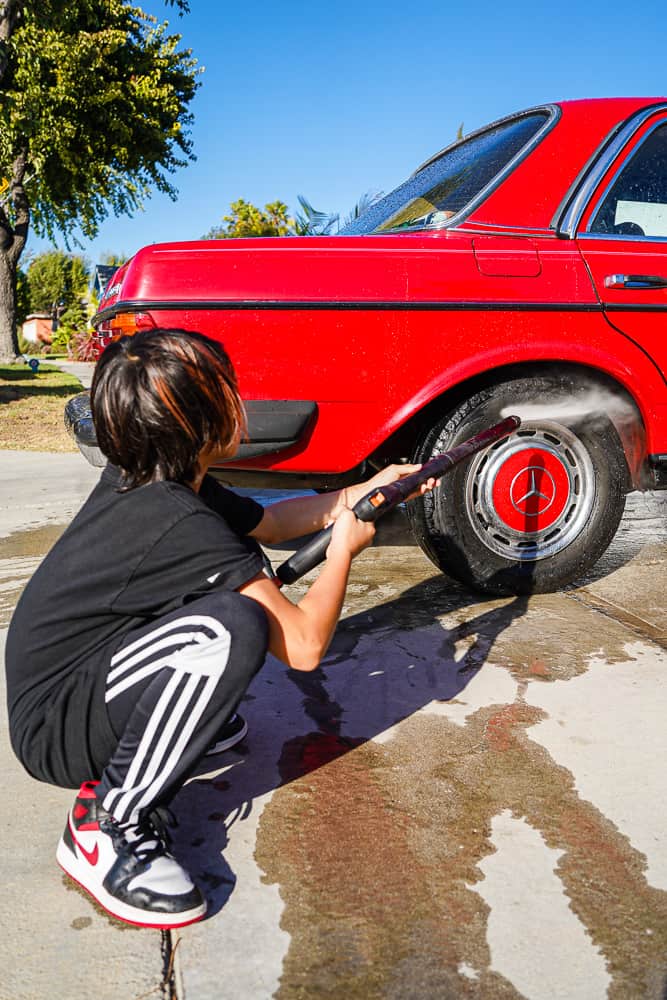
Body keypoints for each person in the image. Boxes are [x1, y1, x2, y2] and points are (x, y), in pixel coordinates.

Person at [5, 328, 434, 929]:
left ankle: (180, 721)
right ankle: (106, 824)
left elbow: (274, 522)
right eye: (225, 388)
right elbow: (305, 647)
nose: (239, 396)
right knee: (228, 628)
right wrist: (343, 550)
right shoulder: (176, 516)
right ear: (196, 421)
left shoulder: (167, 480)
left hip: (80, 681)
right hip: (56, 726)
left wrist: (372, 487)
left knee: (227, 619)